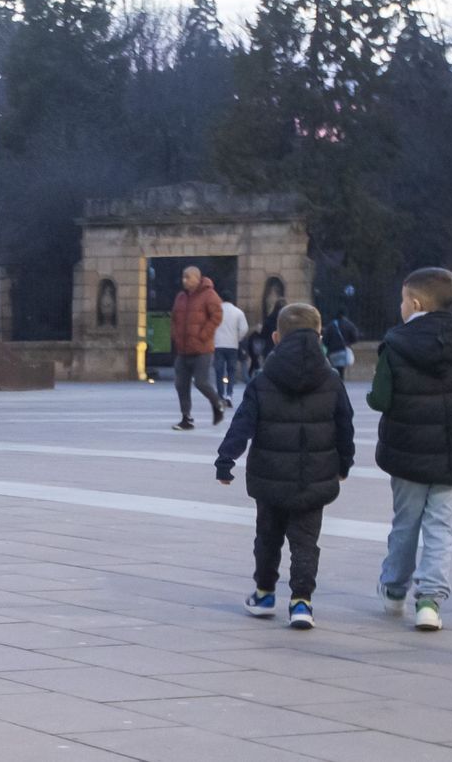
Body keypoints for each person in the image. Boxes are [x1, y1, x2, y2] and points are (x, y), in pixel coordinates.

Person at [369, 267, 452, 632]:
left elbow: (380, 399)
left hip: (407, 454)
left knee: (405, 524)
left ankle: (395, 590)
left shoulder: (395, 345)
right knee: (441, 527)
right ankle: (430, 601)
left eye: (401, 300)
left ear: (414, 303)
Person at [216, 303, 354, 630]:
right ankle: (302, 602)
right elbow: (344, 425)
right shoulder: (331, 380)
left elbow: (242, 425)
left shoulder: (263, 381)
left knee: (267, 537)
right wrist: (344, 463)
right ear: (319, 335)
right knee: (306, 541)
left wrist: (226, 460)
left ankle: (264, 594)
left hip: (270, 477)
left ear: (276, 337)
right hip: (314, 477)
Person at [170, 266, 224, 431]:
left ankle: (217, 403)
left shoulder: (209, 295)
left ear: (197, 278)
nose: (184, 280)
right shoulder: (180, 297)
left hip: (202, 349)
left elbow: (217, 315)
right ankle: (186, 418)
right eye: (183, 277)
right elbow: (174, 318)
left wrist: (203, 334)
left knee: (201, 382)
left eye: (188, 277)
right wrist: (175, 337)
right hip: (183, 349)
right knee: (181, 383)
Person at [213, 299, 249, 409]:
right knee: (231, 371)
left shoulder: (215, 311)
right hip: (232, 345)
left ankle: (220, 395)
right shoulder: (238, 312)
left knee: (219, 371)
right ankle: (229, 395)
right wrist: (238, 338)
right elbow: (244, 329)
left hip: (218, 345)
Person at [322, 312, 360, 379]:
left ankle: (336, 381)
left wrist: (330, 346)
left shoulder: (330, 325)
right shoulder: (349, 324)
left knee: (334, 368)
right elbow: (355, 337)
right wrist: (348, 343)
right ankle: (340, 381)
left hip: (333, 352)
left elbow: (325, 340)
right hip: (343, 350)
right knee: (341, 369)